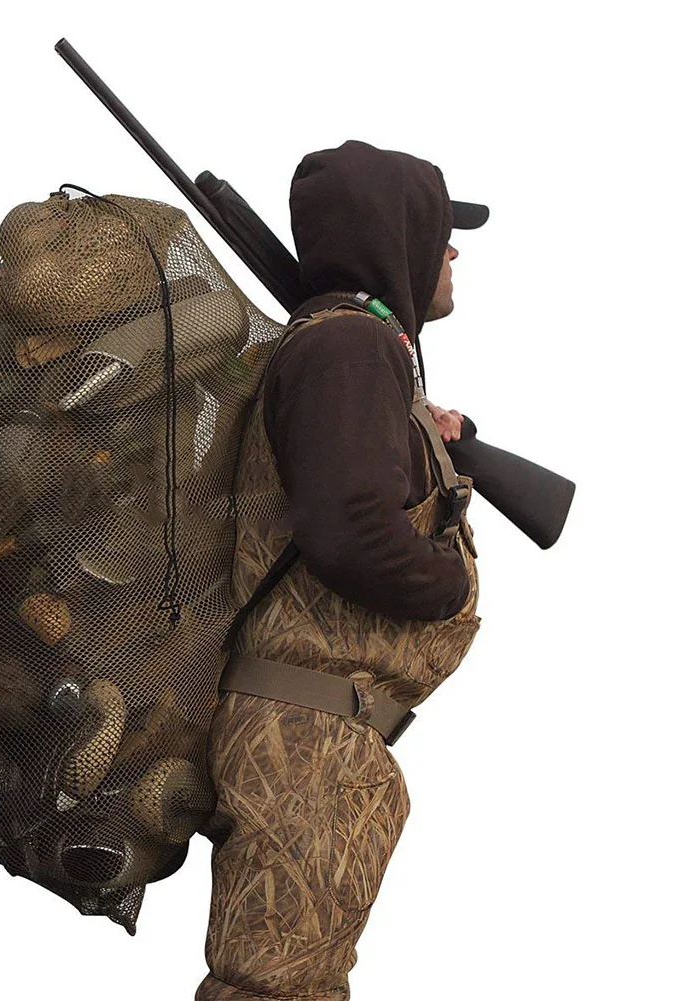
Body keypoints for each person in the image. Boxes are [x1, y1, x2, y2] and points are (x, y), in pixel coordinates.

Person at [195, 139, 489, 1000]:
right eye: (438, 229)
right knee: (272, 990)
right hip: (305, 739)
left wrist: (434, 443)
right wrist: (449, 583)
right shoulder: (351, 348)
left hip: (325, 736)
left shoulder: (354, 349)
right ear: (397, 235)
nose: (452, 250)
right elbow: (348, 530)